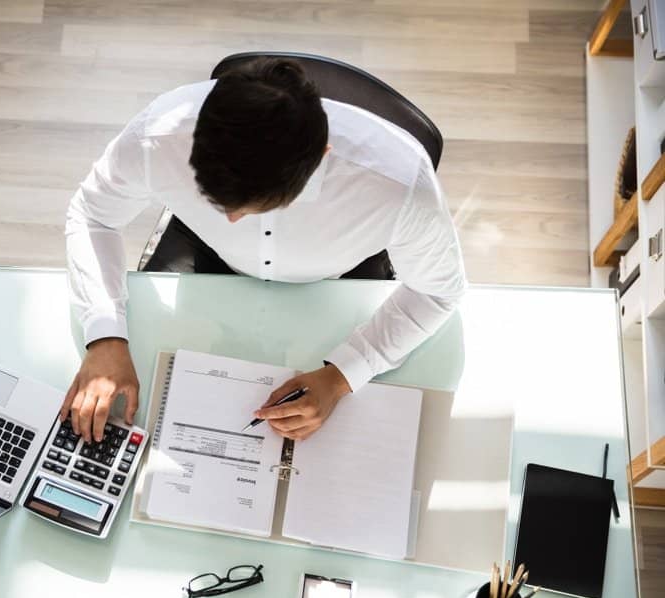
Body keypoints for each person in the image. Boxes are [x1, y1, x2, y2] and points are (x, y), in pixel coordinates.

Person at [61, 57, 466, 444]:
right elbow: (93, 215)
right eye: (216, 201)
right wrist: (105, 335)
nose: (233, 221)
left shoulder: (398, 183)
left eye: (255, 207)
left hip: (341, 278)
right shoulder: (158, 134)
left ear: (319, 159)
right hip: (205, 254)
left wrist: (343, 375)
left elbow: (437, 290)